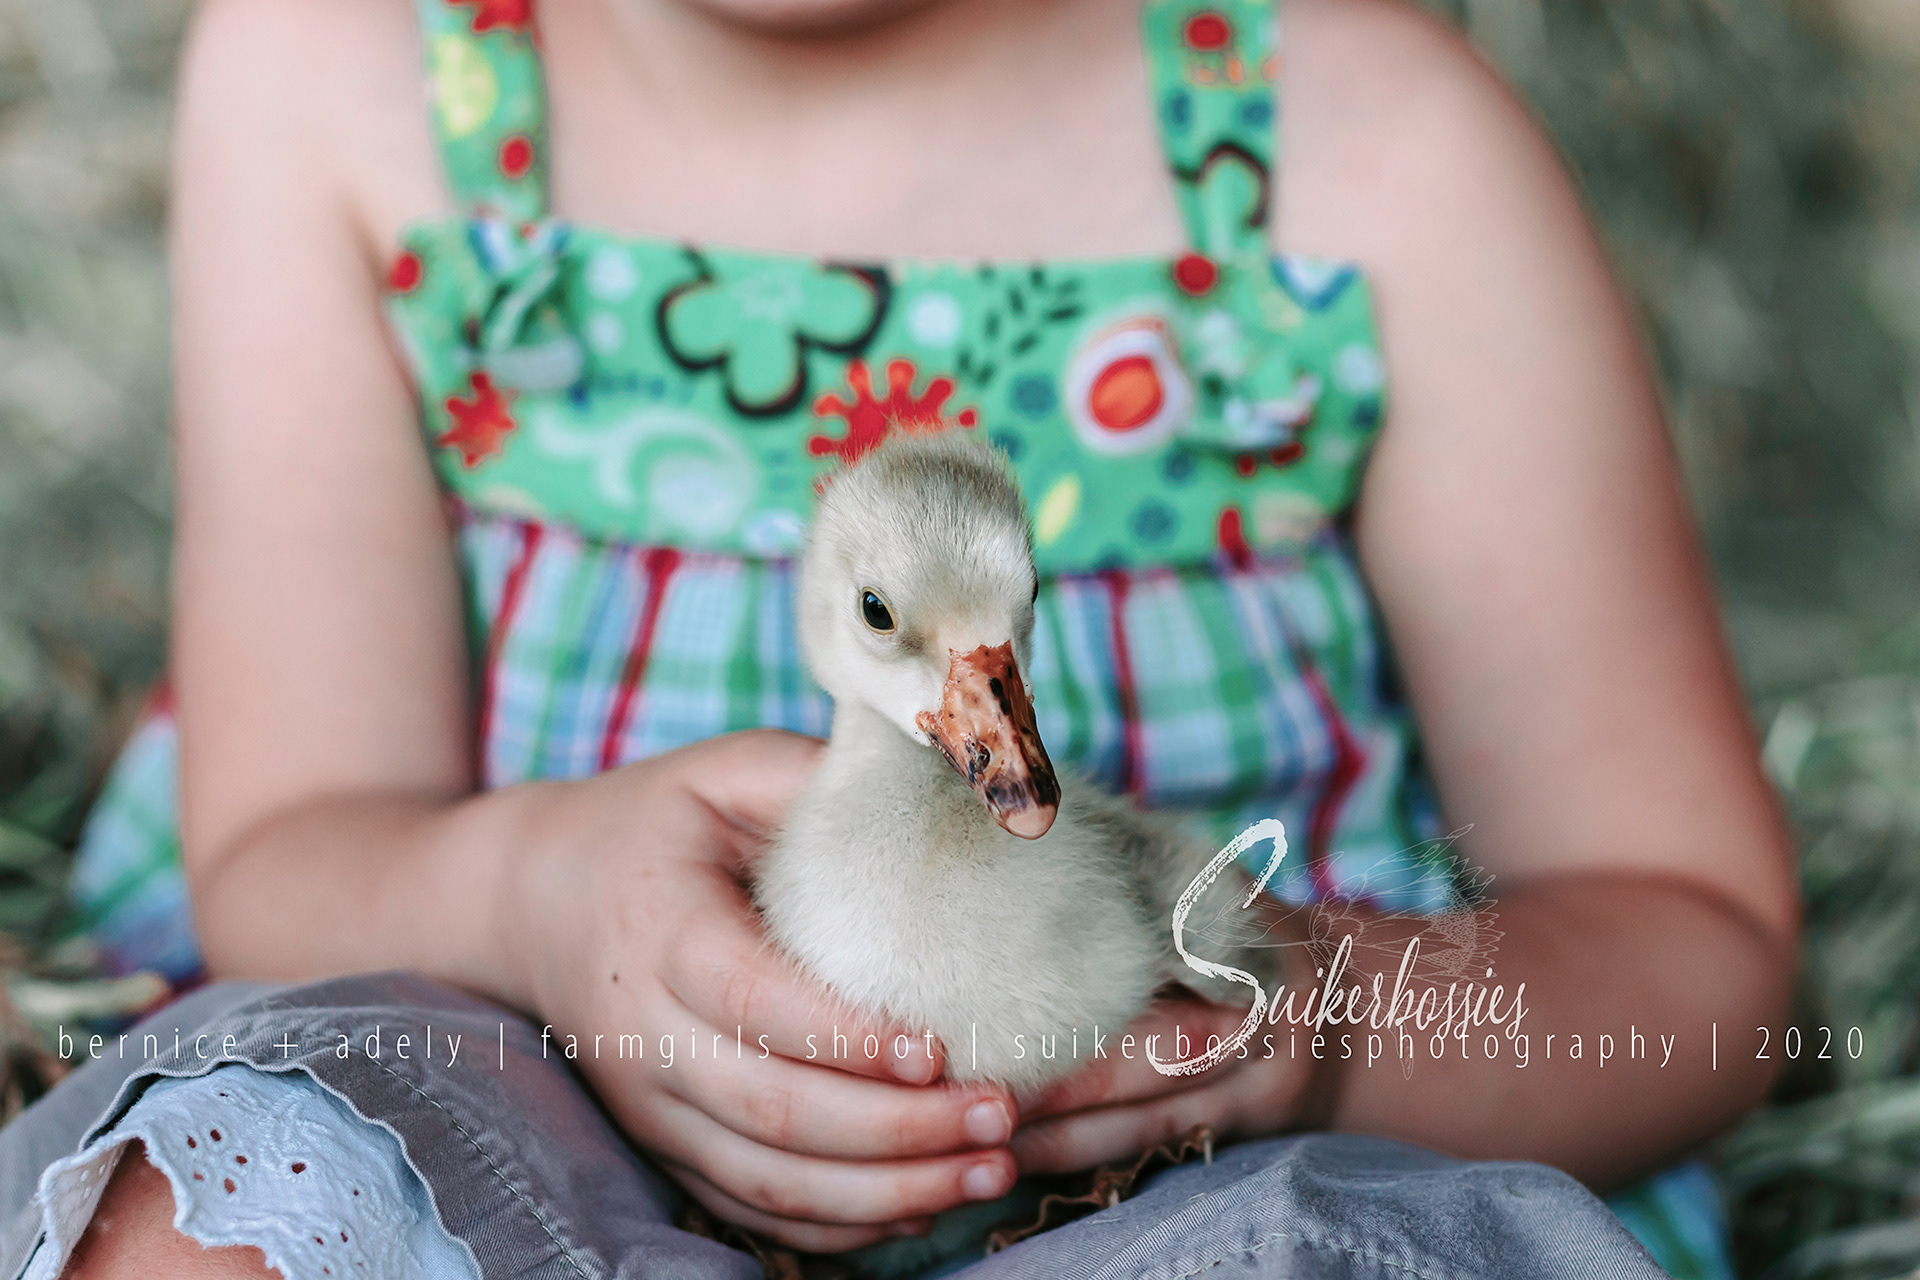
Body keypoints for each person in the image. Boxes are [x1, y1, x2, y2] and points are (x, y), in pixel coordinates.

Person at [0, 0, 1798, 1275]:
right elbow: (287, 853)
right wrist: (538, 903)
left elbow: (1688, 937)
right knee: (217, 1216)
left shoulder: (1371, 152)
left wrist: (1311, 1030)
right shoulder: (345, 77)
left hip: (1202, 1220)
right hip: (521, 1145)